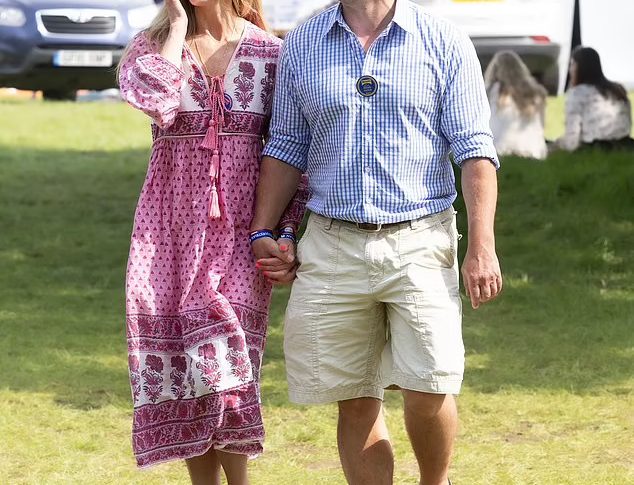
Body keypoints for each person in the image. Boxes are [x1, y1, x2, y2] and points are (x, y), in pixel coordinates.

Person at [250, 1, 503, 484]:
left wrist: (482, 246)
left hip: (420, 240)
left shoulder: (442, 40)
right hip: (333, 242)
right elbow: (285, 144)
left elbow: (475, 150)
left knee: (429, 387)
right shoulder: (303, 42)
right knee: (356, 396)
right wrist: (263, 228)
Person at [118, 0, 307, 483]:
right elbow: (157, 102)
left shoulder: (273, 54)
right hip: (167, 235)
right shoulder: (152, 48)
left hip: (244, 234)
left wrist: (285, 229)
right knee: (187, 371)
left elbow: (293, 151)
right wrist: (177, 26)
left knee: (226, 366)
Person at [556, 46, 633, 151]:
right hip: (625, 144)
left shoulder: (577, 93)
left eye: (572, 64)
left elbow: (572, 140)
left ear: (579, 68)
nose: (570, 69)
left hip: (595, 147)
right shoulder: (618, 90)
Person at [484, 50, 548, 160]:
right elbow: (541, 126)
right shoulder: (536, 92)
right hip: (535, 151)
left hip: (499, 150)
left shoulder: (492, 91)